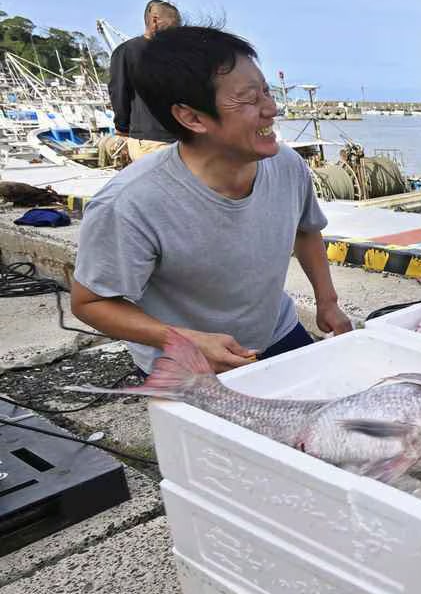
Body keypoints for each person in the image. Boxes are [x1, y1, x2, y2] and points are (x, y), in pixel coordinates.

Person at [72, 26, 353, 374]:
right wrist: (185, 339)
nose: (271, 109)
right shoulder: (130, 204)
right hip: (189, 359)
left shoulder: (286, 164)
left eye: (266, 92)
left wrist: (328, 302)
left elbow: (307, 230)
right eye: (250, 99)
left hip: (277, 332)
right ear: (191, 117)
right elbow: (91, 302)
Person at [108, 0, 181, 161]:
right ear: (155, 20)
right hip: (149, 141)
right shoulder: (127, 52)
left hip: (180, 140)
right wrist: (122, 128)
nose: (178, 29)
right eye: (175, 24)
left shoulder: (177, 55)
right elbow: (119, 91)